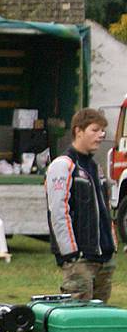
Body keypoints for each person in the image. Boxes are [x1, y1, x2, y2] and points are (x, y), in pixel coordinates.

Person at [46, 108, 115, 301]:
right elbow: (59, 211)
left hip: (104, 257)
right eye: (95, 130)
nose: (101, 135)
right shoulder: (64, 165)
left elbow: (105, 209)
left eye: (102, 130)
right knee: (80, 317)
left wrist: (111, 245)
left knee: (101, 318)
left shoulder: (95, 167)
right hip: (80, 259)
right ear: (78, 131)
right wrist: (70, 253)